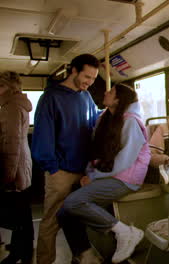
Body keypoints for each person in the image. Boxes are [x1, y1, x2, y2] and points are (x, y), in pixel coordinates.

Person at [57, 83, 150, 264]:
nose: (106, 92)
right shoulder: (105, 118)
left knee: (72, 202)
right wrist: (90, 172)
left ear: (118, 99)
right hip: (108, 174)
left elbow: (125, 160)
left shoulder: (131, 122)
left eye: (111, 91)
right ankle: (86, 256)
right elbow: (98, 153)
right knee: (64, 213)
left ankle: (125, 232)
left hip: (126, 178)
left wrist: (94, 177)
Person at [31, 54, 100, 264]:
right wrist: (51, 168)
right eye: (86, 77)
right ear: (73, 71)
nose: (89, 82)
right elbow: (43, 137)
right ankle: (45, 261)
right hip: (60, 171)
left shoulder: (86, 97)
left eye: (93, 79)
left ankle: (78, 257)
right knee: (52, 220)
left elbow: (94, 125)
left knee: (78, 219)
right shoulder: (51, 98)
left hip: (84, 171)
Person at [0, 71, 34, 264]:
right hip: (23, 165)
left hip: (15, 168)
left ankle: (20, 253)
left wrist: (7, 177)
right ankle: (23, 250)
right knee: (23, 212)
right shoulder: (18, 105)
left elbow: (10, 145)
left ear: (9, 88)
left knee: (20, 214)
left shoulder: (11, 107)